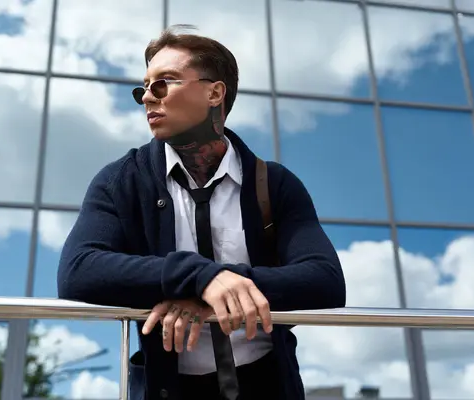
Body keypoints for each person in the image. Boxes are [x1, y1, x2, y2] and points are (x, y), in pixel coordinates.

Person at [57, 24, 346, 400]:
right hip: (169, 389)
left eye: (164, 83)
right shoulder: (120, 181)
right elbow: (77, 271)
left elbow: (325, 280)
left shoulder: (274, 183)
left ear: (215, 92)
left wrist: (215, 289)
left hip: (267, 385)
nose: (147, 97)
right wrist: (197, 277)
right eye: (143, 87)